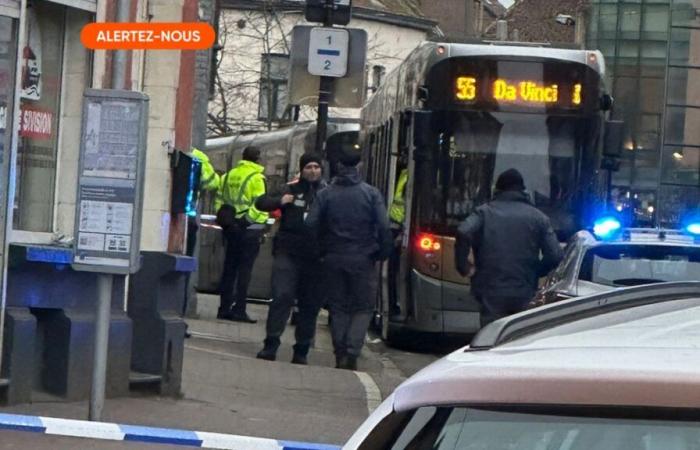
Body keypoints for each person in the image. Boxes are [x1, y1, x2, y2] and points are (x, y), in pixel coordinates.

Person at [305, 147, 393, 371]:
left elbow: (311, 224)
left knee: (338, 307)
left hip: (333, 257)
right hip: (363, 258)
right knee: (363, 307)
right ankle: (353, 351)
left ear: (337, 167)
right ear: (359, 166)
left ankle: (340, 351)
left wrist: (320, 250)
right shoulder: (371, 194)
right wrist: (382, 251)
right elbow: (383, 226)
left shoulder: (326, 194)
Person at [454, 168, 563, 326]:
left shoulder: (484, 213)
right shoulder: (539, 217)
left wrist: (464, 267)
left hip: (490, 288)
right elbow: (556, 255)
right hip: (524, 289)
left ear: (497, 189)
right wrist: (536, 271)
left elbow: (463, 231)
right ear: (523, 190)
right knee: (519, 335)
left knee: (491, 337)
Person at [254, 153, 326, 365]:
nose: (313, 171)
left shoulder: (326, 193)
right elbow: (262, 202)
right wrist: (280, 201)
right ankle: (271, 343)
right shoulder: (290, 189)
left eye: (316, 167)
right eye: (309, 167)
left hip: (315, 257)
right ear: (302, 170)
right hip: (288, 253)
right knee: (281, 296)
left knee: (309, 304)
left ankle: (302, 349)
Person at [216, 146, 269, 323]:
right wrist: (247, 220)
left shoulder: (228, 175)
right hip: (249, 229)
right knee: (244, 271)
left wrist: (226, 222)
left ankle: (223, 308)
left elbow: (220, 201)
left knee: (229, 269)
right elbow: (260, 205)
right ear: (258, 159)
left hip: (230, 229)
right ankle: (239, 309)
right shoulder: (257, 178)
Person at [184, 148, 221, 337]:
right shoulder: (199, 157)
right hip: (188, 218)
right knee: (184, 274)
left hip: (178, 219)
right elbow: (212, 182)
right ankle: (181, 320)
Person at [387, 165, 408, 320]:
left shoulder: (405, 173)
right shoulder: (408, 174)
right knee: (393, 271)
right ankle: (393, 306)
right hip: (398, 229)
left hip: (400, 228)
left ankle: (394, 306)